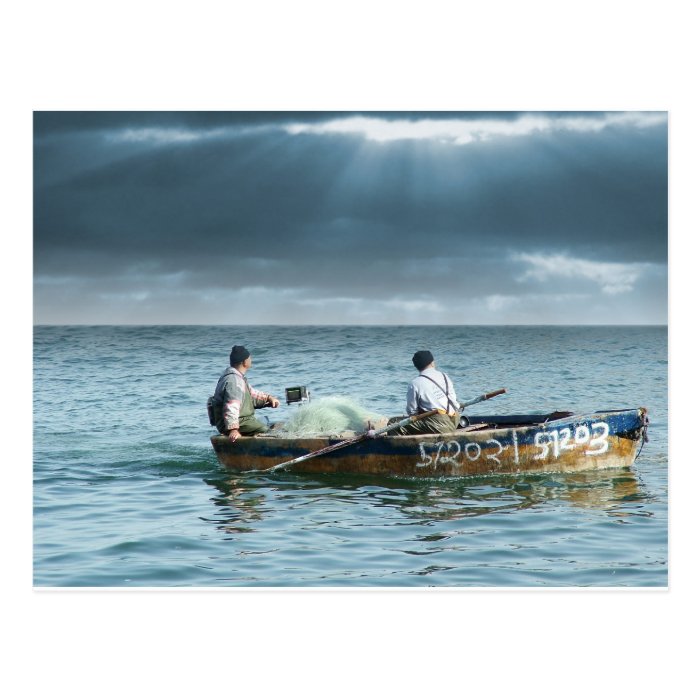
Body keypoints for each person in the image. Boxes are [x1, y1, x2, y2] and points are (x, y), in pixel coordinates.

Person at [212, 345, 280, 442]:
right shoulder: (234, 381)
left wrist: (269, 398)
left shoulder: (237, 378)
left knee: (267, 422)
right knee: (267, 431)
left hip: (242, 420)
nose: (251, 359)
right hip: (238, 422)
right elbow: (231, 405)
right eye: (249, 358)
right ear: (244, 362)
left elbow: (252, 394)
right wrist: (233, 429)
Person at [393, 350, 460, 435]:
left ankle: (407, 446)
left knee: (393, 423)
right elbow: (453, 399)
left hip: (439, 424)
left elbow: (412, 412)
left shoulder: (415, 383)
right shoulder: (445, 376)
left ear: (416, 367)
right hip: (455, 419)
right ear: (432, 363)